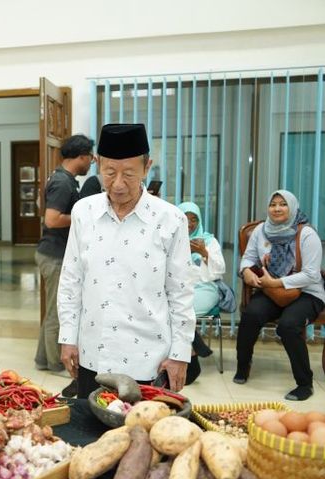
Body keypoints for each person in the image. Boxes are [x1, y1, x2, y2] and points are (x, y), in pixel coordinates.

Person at [58, 123, 195, 397]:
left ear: (147, 167)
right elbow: (71, 280)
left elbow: (180, 291)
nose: (118, 184)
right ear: (97, 164)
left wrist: (180, 354)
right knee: (90, 436)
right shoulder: (83, 212)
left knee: (143, 436)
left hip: (147, 359)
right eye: (109, 172)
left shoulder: (170, 219)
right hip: (93, 355)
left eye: (129, 174)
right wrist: (67, 338)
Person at [236, 190, 324, 401]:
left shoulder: (307, 234)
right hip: (272, 291)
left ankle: (304, 384)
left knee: (289, 325)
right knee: (251, 315)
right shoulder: (261, 230)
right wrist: (247, 271)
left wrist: (277, 281)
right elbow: (248, 259)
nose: (276, 208)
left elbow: (311, 275)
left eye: (282, 204)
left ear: (292, 207)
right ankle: (243, 366)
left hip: (306, 292)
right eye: (273, 204)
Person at [34, 134, 94, 395]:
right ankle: (54, 363)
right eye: (90, 157)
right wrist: (83, 217)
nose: (91, 162)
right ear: (81, 156)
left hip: (54, 253)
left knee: (51, 311)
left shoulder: (64, 179)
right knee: (58, 312)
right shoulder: (62, 182)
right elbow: (52, 219)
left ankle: (41, 359)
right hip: (54, 254)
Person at [178, 201, 226, 384]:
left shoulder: (209, 240)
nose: (190, 223)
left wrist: (205, 253)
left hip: (205, 288)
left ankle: (193, 347)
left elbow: (219, 270)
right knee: (172, 308)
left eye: (194, 219)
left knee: (180, 311)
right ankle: (196, 344)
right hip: (180, 289)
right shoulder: (172, 238)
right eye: (185, 218)